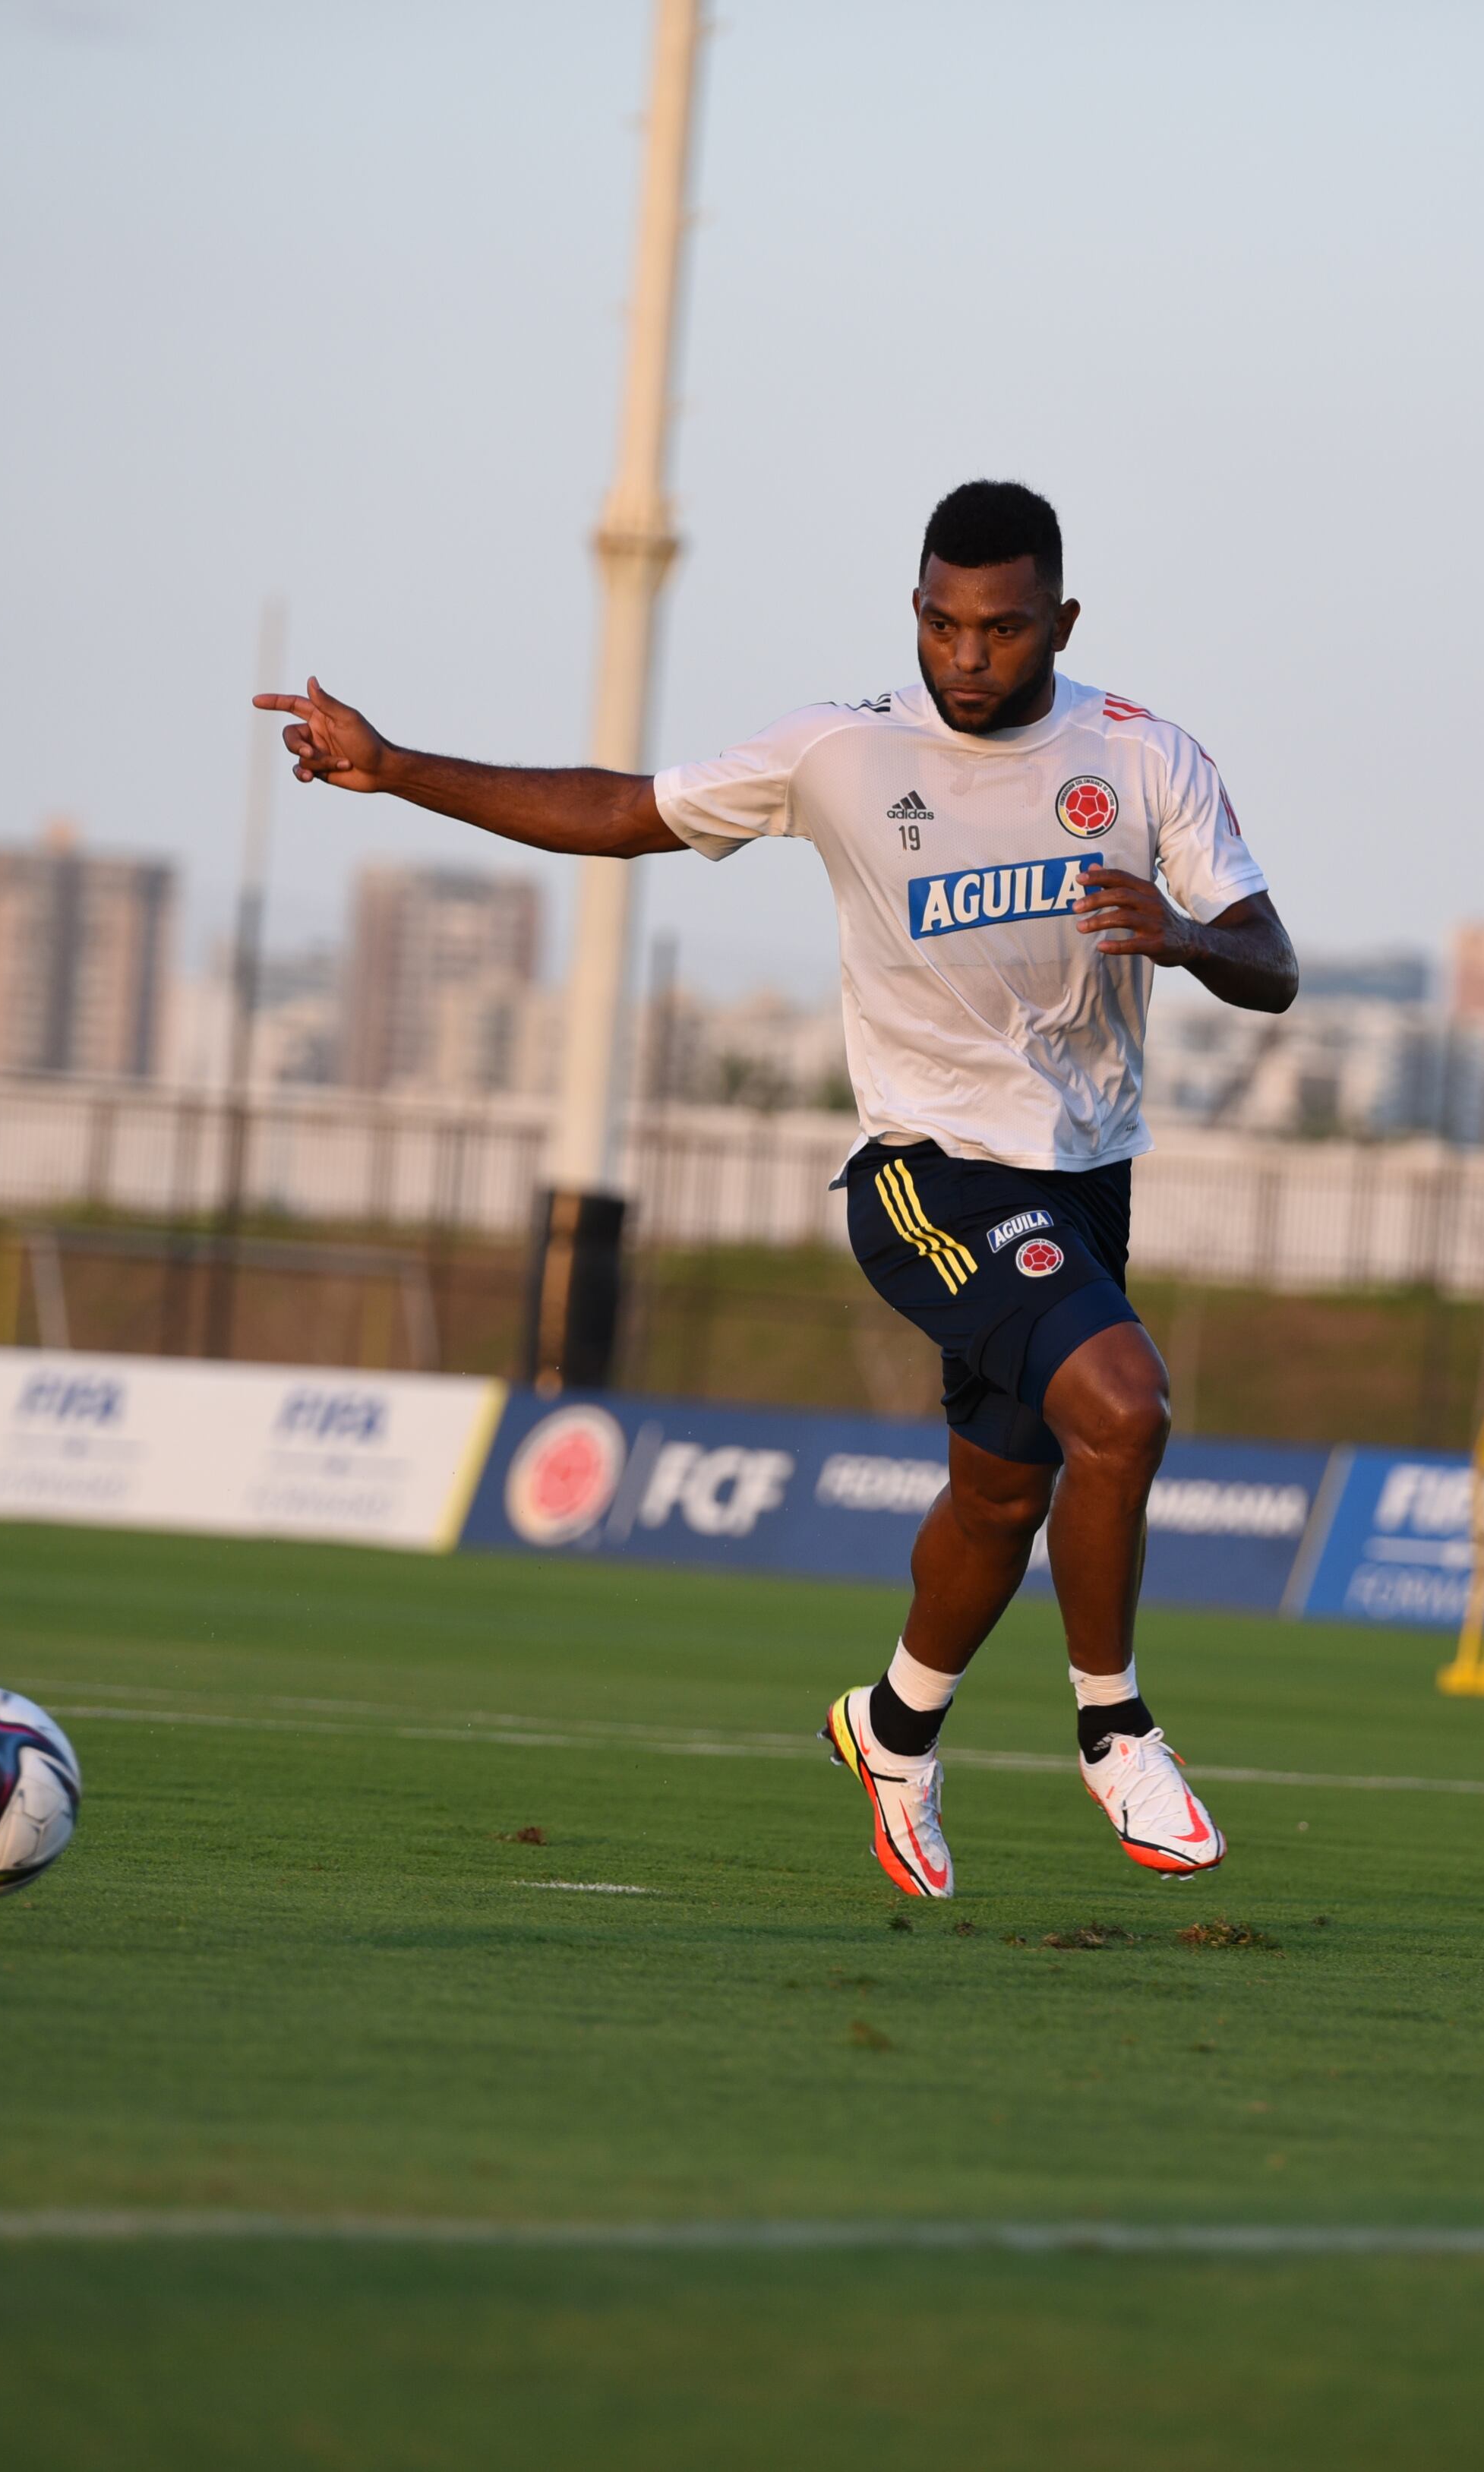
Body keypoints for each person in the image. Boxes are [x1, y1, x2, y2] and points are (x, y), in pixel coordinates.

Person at [256, 479, 1297, 1895]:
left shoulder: (1143, 757)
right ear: (916, 615)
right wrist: (399, 765)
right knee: (1124, 1406)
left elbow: (1271, 958)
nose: (967, 657)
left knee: (1001, 1501)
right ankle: (1115, 1730)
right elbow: (625, 811)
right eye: (942, 624)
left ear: (1057, 620)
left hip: (1084, 1183)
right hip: (930, 1179)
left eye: (999, 629)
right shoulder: (841, 751)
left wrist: (1181, 935)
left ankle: (892, 1731)